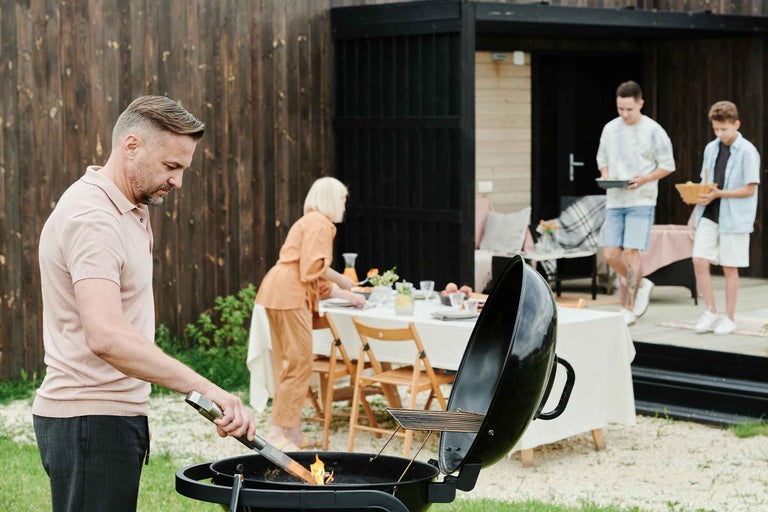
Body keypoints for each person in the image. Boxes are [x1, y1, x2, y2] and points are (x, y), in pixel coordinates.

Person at [33, 96, 257, 512]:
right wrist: (207, 389)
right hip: (89, 420)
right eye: (171, 167)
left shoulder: (129, 208)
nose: (178, 182)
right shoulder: (93, 219)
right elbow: (107, 337)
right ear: (131, 146)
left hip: (109, 417)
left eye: (183, 169)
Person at [255, 177, 366, 451]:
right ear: (330, 199)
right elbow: (311, 268)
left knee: (290, 363)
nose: (344, 205)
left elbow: (311, 276)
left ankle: (289, 431)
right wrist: (342, 279)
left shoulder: (309, 221)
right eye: (342, 199)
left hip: (279, 290)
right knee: (298, 363)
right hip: (290, 293)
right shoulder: (321, 223)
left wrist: (347, 294)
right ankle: (277, 433)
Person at [596, 80, 676, 326]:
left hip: (642, 198)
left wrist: (645, 179)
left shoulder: (653, 130)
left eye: (629, 109)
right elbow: (602, 158)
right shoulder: (610, 129)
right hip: (615, 199)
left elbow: (668, 165)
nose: (625, 114)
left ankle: (629, 308)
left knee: (631, 251)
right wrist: (606, 174)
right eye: (620, 109)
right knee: (610, 253)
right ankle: (642, 283)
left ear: (640, 103)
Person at [691, 101, 760, 335]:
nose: (720, 134)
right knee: (699, 260)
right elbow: (705, 181)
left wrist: (719, 194)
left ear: (736, 124)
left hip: (735, 217)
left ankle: (729, 317)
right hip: (709, 213)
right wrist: (696, 200)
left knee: (730, 267)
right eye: (716, 129)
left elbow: (750, 189)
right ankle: (711, 311)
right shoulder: (711, 148)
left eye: (724, 129)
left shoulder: (748, 151)